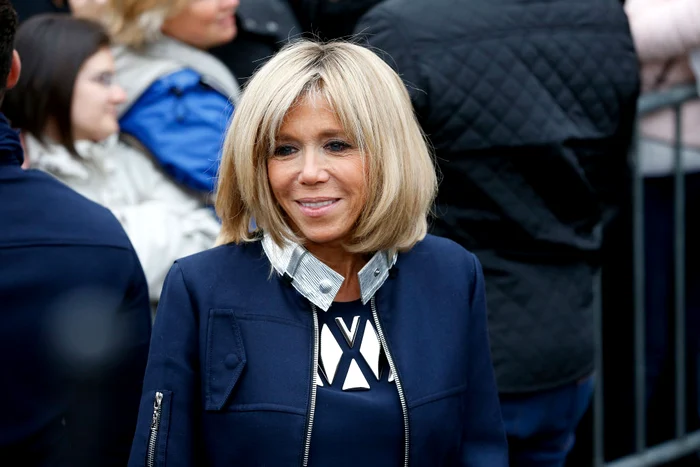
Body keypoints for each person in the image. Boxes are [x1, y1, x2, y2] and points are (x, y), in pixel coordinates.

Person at [127, 40, 508, 467]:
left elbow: (480, 448)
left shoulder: (451, 274)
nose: (309, 173)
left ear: (389, 152)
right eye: (284, 149)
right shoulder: (201, 288)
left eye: (338, 145)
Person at [355, 0, 640, 465]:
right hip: (561, 341)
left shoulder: (399, 30)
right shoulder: (604, 16)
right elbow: (611, 182)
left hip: (443, 354)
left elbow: (367, 198)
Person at [0, 2, 151, 465]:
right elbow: (124, 426)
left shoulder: (130, 164)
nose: (120, 95)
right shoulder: (92, 231)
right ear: (16, 71)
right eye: (101, 80)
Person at [2, 14, 220, 306]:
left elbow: (211, 241)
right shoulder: (23, 177)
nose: (119, 95)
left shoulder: (127, 156)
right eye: (102, 80)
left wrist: (116, 235)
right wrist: (156, 219)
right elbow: (85, 282)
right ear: (53, 82)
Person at [625, 0, 700, 450]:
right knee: (648, 326)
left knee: (681, 326)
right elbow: (621, 35)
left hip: (675, 159)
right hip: (651, 164)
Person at [97, 0, 240, 198]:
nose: (231, 2)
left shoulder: (133, 62)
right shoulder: (175, 97)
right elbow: (241, 190)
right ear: (154, 10)